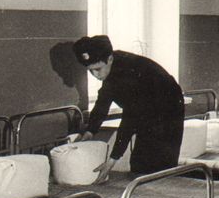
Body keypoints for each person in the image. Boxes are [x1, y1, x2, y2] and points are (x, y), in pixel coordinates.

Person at [72, 35, 184, 182]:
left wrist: (112, 159)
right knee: (139, 162)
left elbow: (130, 118)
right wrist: (90, 131)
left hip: (169, 108)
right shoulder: (111, 67)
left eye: (98, 69)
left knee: (160, 162)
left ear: (110, 59)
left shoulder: (128, 70)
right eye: (90, 71)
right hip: (146, 108)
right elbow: (102, 102)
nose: (95, 75)